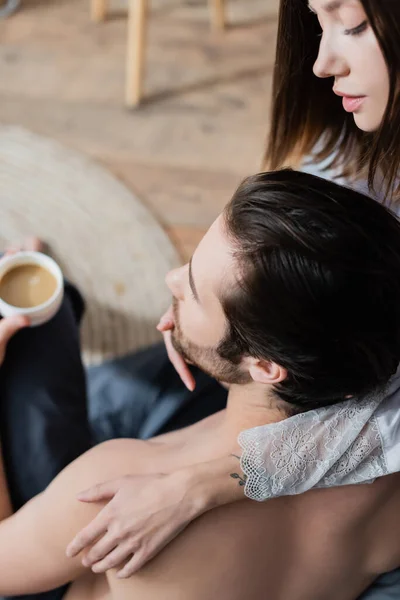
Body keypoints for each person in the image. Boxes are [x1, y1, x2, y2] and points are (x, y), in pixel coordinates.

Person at [65, 0, 400, 589]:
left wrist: (214, 480)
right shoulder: (362, 137)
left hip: (308, 393)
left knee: (91, 403)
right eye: (316, 21)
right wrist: (216, 291)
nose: (321, 62)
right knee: (110, 391)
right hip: (297, 370)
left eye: (351, 24)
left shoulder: (114, 482)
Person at [2, 170, 400, 600]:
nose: (172, 278)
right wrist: (198, 322)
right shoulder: (388, 478)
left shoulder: (123, 486)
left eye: (191, 289)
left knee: (33, 326)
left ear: (265, 366)